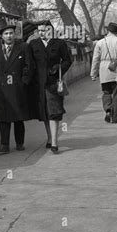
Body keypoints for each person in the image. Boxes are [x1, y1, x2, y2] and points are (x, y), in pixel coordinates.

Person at [0, 22, 33, 154]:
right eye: (6, 34)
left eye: (11, 33)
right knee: (3, 117)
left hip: (18, 88)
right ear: (2, 36)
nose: (9, 36)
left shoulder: (23, 47)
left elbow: (29, 67)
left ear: (14, 34)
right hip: (1, 89)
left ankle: (19, 143)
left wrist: (24, 82)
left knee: (18, 117)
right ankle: (4, 144)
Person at [29, 21, 72, 153]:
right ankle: (49, 137)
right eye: (39, 30)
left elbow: (68, 60)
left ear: (51, 30)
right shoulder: (33, 44)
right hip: (39, 84)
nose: (41, 33)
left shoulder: (59, 44)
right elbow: (29, 63)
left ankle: (54, 142)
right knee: (45, 113)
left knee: (54, 112)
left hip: (54, 83)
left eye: (44, 30)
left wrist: (59, 68)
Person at [90, 22, 117, 123]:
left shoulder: (100, 43)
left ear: (107, 31)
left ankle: (108, 109)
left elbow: (95, 59)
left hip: (105, 69)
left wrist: (93, 73)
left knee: (106, 92)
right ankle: (115, 118)